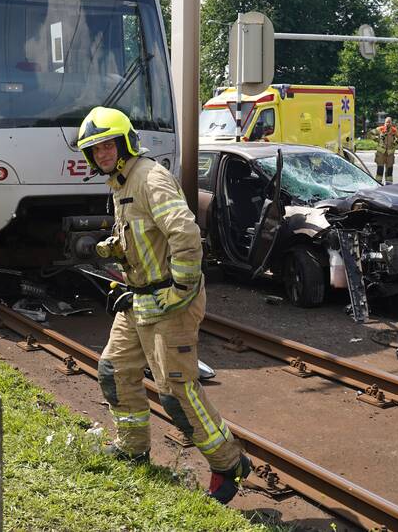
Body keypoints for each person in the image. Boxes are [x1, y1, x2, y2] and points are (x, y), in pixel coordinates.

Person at [77, 106, 251, 505]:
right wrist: (110, 252)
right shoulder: (120, 182)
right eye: (94, 150)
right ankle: (133, 447)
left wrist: (181, 289)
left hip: (170, 302)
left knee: (176, 391)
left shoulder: (149, 177)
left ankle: (229, 464)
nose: (102, 154)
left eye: (107, 146)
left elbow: (185, 234)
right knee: (114, 370)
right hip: (140, 298)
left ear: (124, 143)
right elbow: (141, 237)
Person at [373, 116, 398, 185]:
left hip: (390, 154)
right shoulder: (380, 129)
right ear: (384, 123)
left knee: (389, 170)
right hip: (381, 154)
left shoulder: (394, 130)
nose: (388, 123)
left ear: (391, 123)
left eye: (389, 122)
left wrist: (395, 143)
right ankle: (378, 183)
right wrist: (377, 139)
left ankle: (389, 184)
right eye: (387, 122)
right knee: (380, 169)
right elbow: (370, 134)